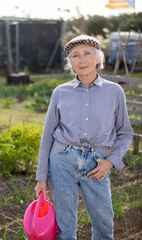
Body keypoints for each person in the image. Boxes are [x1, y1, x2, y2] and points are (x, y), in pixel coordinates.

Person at [34, 35, 133, 240]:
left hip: (97, 165)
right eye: (75, 56)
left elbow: (125, 132)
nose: (81, 60)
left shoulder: (114, 91)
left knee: (104, 226)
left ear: (98, 58)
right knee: (65, 229)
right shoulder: (60, 92)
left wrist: (110, 162)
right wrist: (41, 178)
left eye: (87, 53)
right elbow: (47, 138)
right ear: (70, 63)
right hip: (62, 162)